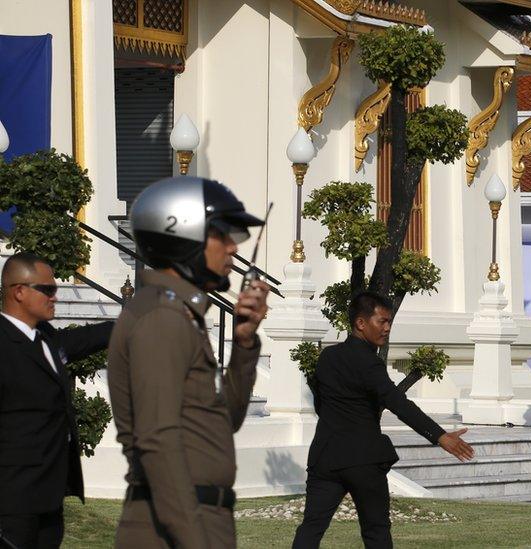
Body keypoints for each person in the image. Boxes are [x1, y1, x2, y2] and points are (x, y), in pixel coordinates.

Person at [107, 176, 270, 548]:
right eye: (222, 234)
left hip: (195, 518)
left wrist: (244, 343)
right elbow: (157, 441)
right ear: (181, 234)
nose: (233, 248)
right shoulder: (162, 318)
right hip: (172, 527)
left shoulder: (181, 315)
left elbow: (223, 420)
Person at [293, 292, 474, 549]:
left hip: (326, 456)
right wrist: (439, 436)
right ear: (361, 323)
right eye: (382, 321)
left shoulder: (327, 357)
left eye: (389, 322)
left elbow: (321, 405)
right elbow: (397, 402)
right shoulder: (369, 362)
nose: (387, 328)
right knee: (376, 531)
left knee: (311, 527)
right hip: (363, 460)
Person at [0, 252, 114, 549]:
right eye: (47, 289)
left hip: (49, 500)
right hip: (11, 504)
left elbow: (81, 341)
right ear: (19, 292)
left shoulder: (44, 338)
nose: (55, 296)